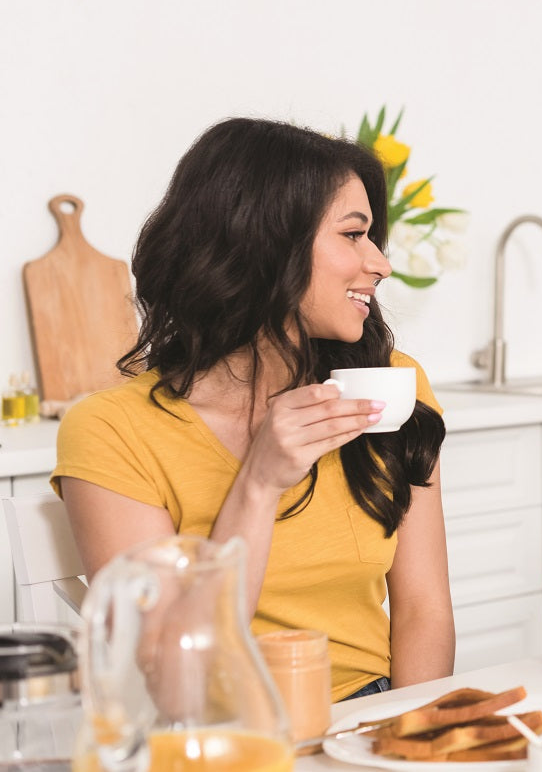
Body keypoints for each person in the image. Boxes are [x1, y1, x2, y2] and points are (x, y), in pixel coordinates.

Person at [53, 118, 455, 702]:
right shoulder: (113, 430)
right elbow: (176, 676)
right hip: (222, 733)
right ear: (265, 243)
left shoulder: (391, 387)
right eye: (352, 234)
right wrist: (260, 482)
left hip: (376, 718)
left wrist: (410, 742)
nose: (381, 264)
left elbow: (424, 608)